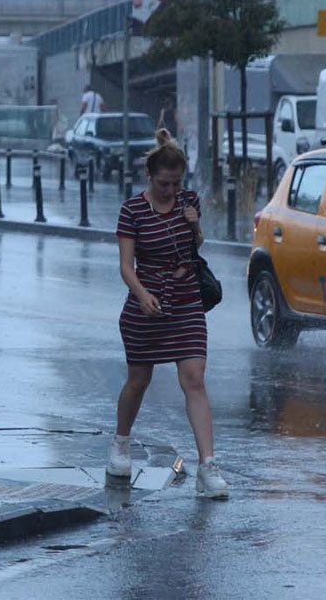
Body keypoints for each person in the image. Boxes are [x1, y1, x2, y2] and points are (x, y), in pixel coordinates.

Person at [108, 129, 229, 499]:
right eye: (163, 183)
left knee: (194, 378)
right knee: (138, 380)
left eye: (176, 183)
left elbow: (197, 245)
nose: (170, 191)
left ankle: (207, 468)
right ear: (150, 176)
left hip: (186, 297)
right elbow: (126, 266)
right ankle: (121, 445)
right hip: (148, 302)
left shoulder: (187, 201)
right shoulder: (132, 210)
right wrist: (141, 294)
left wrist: (195, 223)